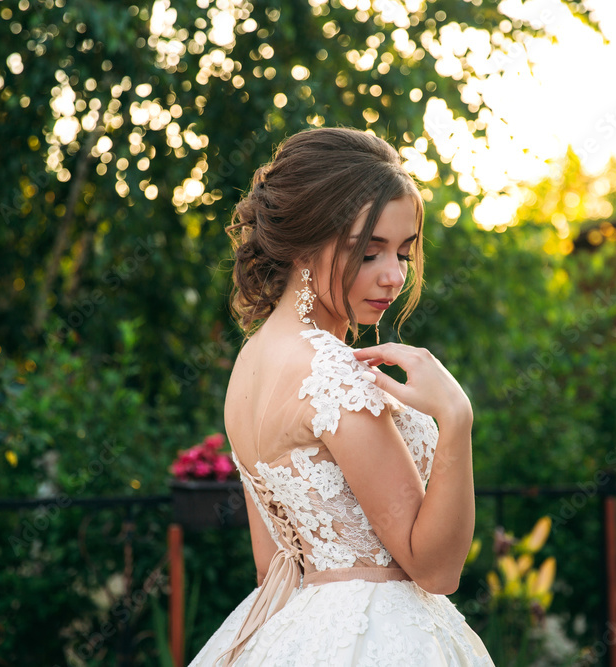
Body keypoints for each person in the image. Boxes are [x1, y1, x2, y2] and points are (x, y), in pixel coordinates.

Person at [189, 126, 493, 666]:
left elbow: (273, 567)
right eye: (369, 252)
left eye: (403, 252)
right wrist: (456, 415)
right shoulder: (333, 372)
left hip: (294, 632)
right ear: (307, 243)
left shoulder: (249, 364)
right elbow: (436, 568)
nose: (393, 276)